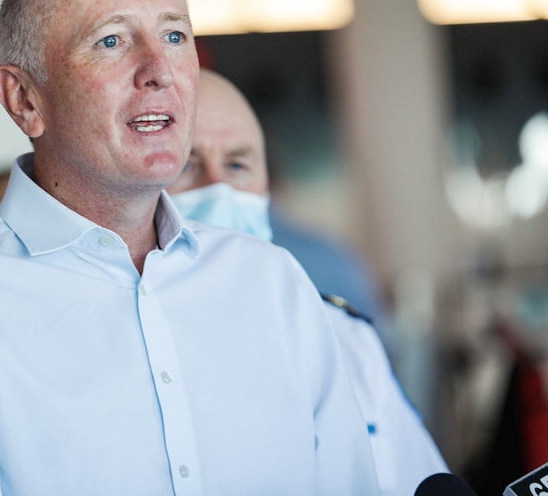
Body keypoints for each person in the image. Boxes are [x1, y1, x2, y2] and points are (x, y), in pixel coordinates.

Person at [0, 0, 380, 495]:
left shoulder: (272, 282)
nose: (160, 71)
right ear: (24, 98)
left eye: (175, 36)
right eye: (111, 41)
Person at [167, 67, 450, 496]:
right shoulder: (133, 350)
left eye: (238, 163)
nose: (220, 189)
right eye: (188, 164)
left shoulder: (346, 339)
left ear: (269, 185)